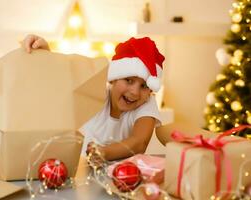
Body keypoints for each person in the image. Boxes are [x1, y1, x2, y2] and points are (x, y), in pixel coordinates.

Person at [21, 35, 214, 165]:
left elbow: (139, 142)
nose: (135, 92)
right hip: (82, 170)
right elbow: (62, 79)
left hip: (126, 177)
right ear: (113, 78)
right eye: (128, 80)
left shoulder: (147, 105)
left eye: (144, 86)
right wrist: (45, 52)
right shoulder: (96, 92)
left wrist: (103, 153)